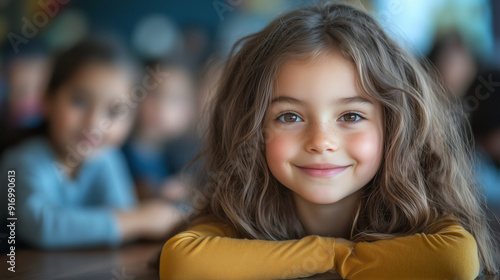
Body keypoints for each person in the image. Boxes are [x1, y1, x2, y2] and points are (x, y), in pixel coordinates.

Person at [158, 2, 499, 279]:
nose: (321, 142)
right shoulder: (244, 206)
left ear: (396, 127)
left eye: (351, 116)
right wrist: (332, 253)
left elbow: (456, 259)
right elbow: (182, 261)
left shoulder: (413, 207)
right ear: (252, 130)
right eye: (289, 117)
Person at [0, 38, 181, 250]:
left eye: (114, 111)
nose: (95, 122)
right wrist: (139, 220)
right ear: (47, 99)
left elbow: (121, 214)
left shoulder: (107, 159)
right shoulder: (21, 162)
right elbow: (40, 226)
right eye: (80, 101)